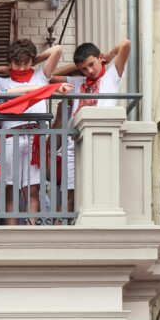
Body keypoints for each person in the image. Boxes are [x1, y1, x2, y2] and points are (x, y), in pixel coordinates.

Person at [0, 40, 63, 224]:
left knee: (32, 189)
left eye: (26, 62)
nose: (22, 67)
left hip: (34, 139)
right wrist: (4, 69)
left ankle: (32, 232)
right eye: (17, 62)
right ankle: (10, 236)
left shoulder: (40, 76)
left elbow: (58, 49)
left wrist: (32, 59)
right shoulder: (1, 81)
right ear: (10, 61)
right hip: (10, 137)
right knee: (10, 189)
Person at [53, 39, 131, 211]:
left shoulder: (111, 76)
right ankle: (61, 231)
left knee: (97, 189)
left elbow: (125, 44)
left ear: (99, 58)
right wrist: (75, 68)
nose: (89, 71)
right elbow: (49, 75)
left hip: (100, 139)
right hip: (73, 142)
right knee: (69, 193)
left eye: (91, 64)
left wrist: (108, 56)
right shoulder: (76, 82)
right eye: (83, 68)